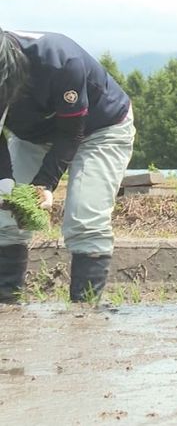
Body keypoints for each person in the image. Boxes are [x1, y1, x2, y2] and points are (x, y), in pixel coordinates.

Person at [0, 28, 135, 303]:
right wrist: (5, 183)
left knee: (86, 217)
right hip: (33, 136)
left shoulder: (60, 60)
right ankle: (6, 304)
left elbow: (71, 132)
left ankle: (84, 314)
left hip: (98, 129)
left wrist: (45, 184)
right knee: (5, 217)